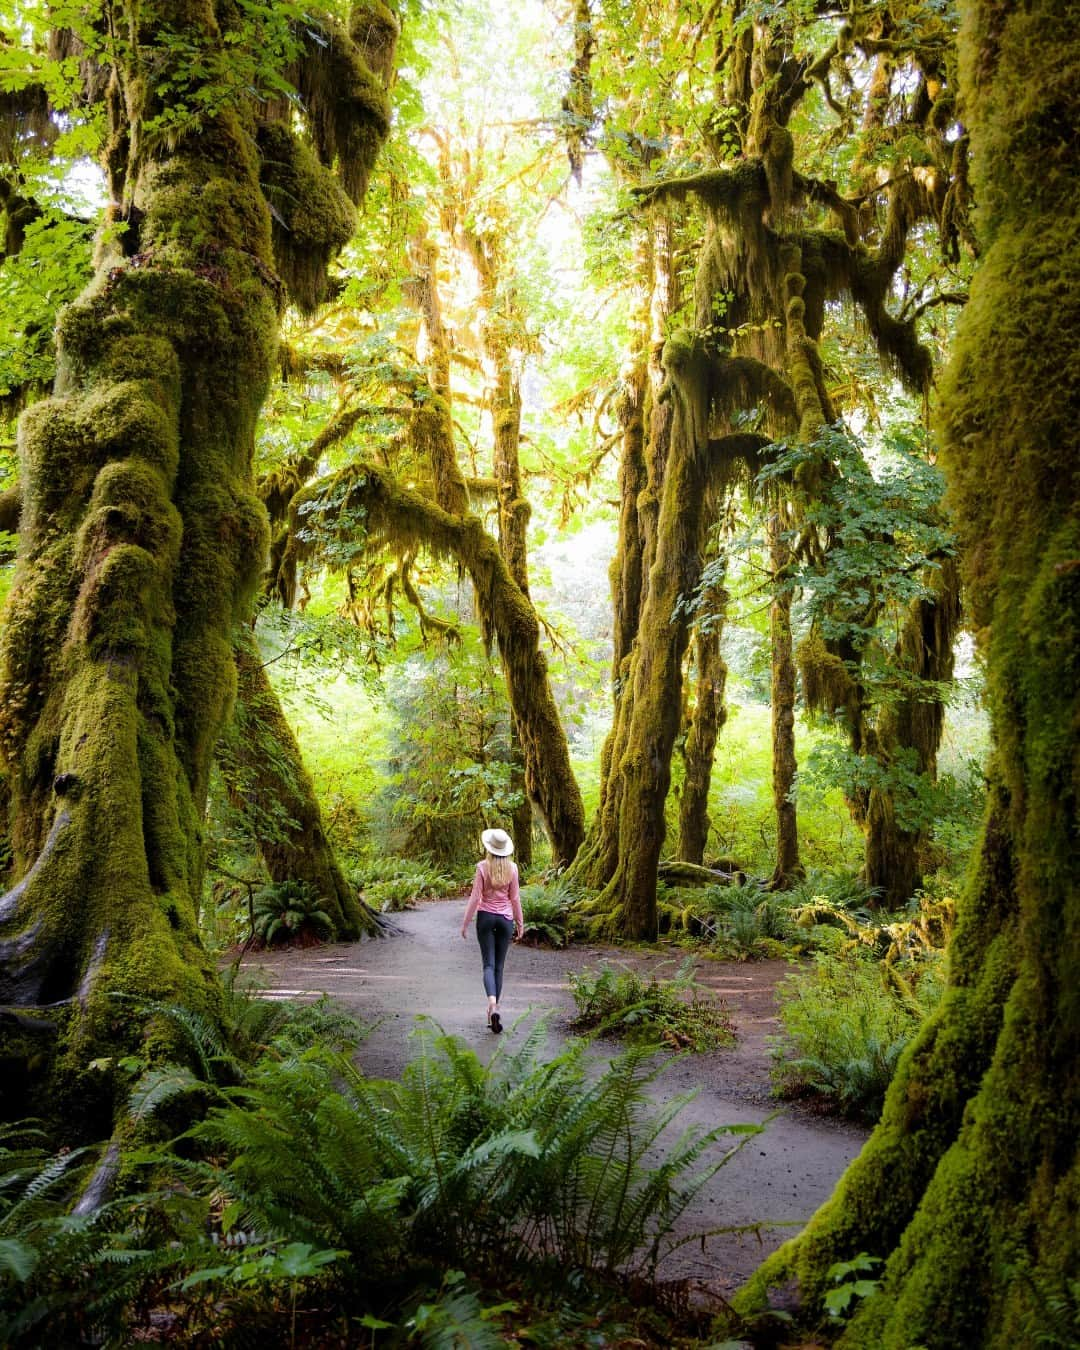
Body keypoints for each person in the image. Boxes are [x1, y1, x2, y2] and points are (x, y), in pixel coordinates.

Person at [460, 827, 523, 1033]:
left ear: (489, 848)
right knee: (499, 967)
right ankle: (494, 1010)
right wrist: (520, 923)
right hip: (505, 920)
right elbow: (514, 898)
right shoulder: (512, 869)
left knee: (488, 965)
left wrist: (466, 922)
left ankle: (492, 1005)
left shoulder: (482, 867)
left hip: (486, 917)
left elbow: (475, 897)